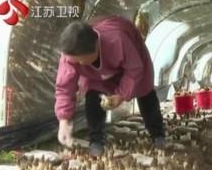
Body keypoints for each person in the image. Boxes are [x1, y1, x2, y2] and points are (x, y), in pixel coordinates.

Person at [54, 16, 166, 156]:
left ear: (95, 46)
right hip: (97, 75)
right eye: (76, 61)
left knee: (145, 93)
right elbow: (65, 86)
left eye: (82, 60)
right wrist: (64, 120)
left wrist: (120, 95)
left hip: (134, 62)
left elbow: (134, 70)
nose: (79, 64)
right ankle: (96, 141)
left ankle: (157, 134)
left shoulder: (118, 40)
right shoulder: (70, 55)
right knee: (92, 95)